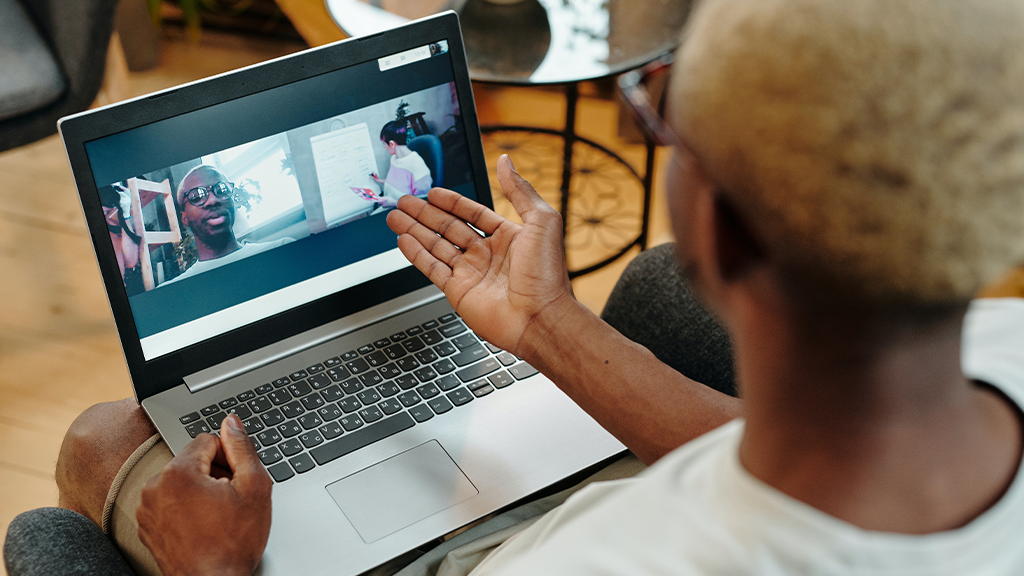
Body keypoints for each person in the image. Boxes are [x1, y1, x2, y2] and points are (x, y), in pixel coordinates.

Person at [30, 0, 1024, 574]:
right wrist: (546, 327)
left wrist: (223, 573)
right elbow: (787, 459)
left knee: (100, 442)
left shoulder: (604, 562)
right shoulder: (1003, 346)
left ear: (714, 224)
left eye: (658, 116)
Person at [162, 165, 293, 285]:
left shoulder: (285, 252)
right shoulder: (169, 292)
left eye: (222, 189)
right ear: (184, 217)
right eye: (196, 196)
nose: (213, 200)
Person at [368, 120, 432, 208]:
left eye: (384, 144)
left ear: (391, 144)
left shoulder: (417, 165)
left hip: (403, 213)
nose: (385, 148)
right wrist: (379, 180)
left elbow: (423, 204)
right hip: (390, 207)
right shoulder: (394, 159)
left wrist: (395, 203)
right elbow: (398, 183)